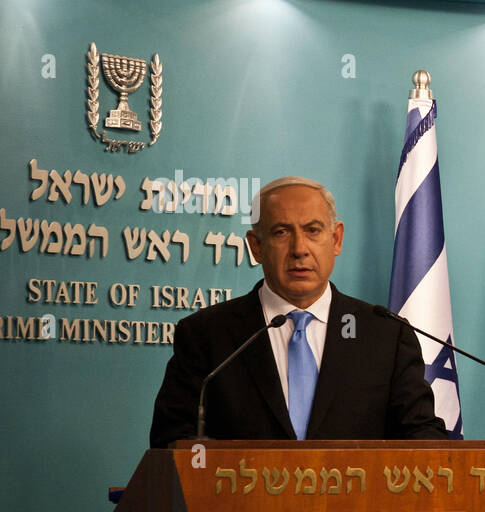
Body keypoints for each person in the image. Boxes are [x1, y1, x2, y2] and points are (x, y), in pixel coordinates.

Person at [149, 176, 447, 447]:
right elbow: (172, 440)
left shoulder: (385, 335)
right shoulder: (206, 335)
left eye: (313, 230)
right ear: (256, 247)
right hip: (244, 505)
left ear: (336, 239)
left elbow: (421, 437)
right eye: (281, 232)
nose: (299, 249)